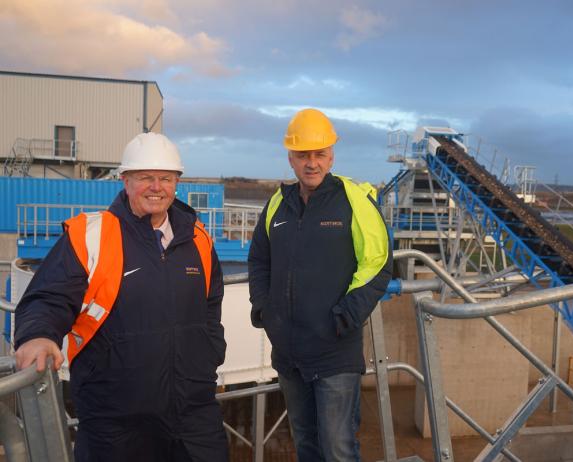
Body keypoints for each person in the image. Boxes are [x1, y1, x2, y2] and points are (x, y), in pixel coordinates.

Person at [13, 132, 228, 462]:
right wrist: (38, 335)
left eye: (165, 178)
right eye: (145, 177)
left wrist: (211, 349)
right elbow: (48, 296)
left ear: (177, 182)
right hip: (115, 418)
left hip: (193, 413)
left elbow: (210, 307)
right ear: (125, 180)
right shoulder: (92, 235)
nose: (156, 187)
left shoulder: (198, 239)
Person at [248, 108, 392, 461]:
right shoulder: (278, 205)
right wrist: (266, 311)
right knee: (306, 444)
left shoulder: (353, 201)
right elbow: (258, 260)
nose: (311, 163)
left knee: (338, 448)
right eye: (302, 155)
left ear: (331, 156)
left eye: (319, 154)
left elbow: (379, 264)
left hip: (335, 353)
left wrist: (345, 317)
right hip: (290, 355)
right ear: (291, 159)